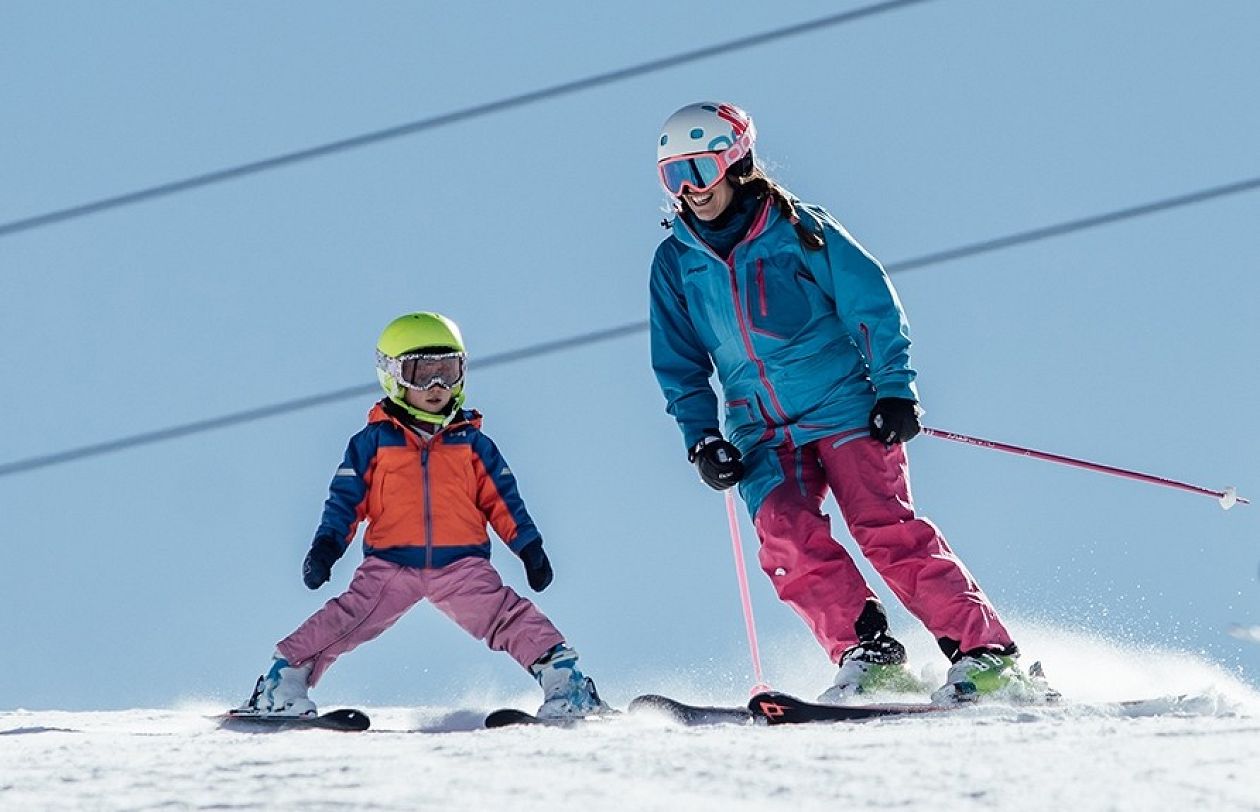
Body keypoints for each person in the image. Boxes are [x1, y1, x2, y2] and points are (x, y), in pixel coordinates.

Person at [648, 101, 1048, 704]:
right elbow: (679, 364)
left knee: (885, 528)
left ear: (736, 162)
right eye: (674, 177)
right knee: (785, 534)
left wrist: (894, 389)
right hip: (758, 430)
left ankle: (988, 654)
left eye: (699, 171)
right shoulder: (675, 262)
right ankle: (868, 653)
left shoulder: (800, 230)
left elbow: (873, 306)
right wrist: (702, 439)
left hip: (842, 409)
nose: (690, 191)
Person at [236, 312, 610, 719]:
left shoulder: (472, 443)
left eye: (448, 371)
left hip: (462, 564)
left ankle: (569, 688)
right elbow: (346, 500)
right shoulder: (373, 443)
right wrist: (326, 547)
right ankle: (280, 685)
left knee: (509, 617)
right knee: (346, 619)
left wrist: (529, 547)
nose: (437, 387)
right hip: (390, 564)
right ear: (393, 377)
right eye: (422, 373)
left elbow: (503, 500)